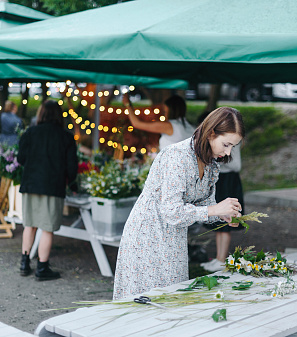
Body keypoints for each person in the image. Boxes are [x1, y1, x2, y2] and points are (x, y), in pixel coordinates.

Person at [113, 106, 245, 300]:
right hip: (148, 235)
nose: (228, 152)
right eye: (226, 144)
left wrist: (221, 215)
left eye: (233, 146)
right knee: (144, 305)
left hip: (174, 238)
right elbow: (172, 211)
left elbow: (201, 206)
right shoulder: (177, 156)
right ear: (210, 133)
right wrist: (213, 209)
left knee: (170, 301)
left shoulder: (211, 164)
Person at [17, 100, 78, 281]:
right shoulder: (65, 137)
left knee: (30, 225)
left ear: (41, 114)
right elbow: (71, 167)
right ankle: (42, 268)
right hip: (52, 186)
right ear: (59, 115)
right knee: (47, 228)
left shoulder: (30, 133)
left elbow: (21, 158)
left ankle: (24, 263)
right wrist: (73, 183)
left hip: (30, 184)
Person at [123, 93, 195, 150]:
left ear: (172, 111)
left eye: (165, 112)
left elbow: (137, 124)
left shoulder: (170, 126)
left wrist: (128, 104)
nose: (165, 115)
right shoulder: (189, 126)